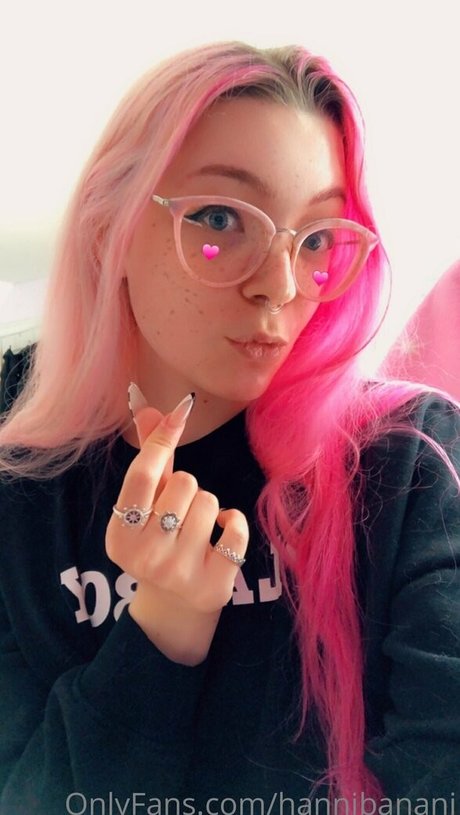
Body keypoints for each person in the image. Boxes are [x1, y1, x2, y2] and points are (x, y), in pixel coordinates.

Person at [0, 41, 459, 815]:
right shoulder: (21, 493)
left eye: (317, 239)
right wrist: (160, 631)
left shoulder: (408, 459)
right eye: (221, 219)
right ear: (111, 226)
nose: (280, 286)